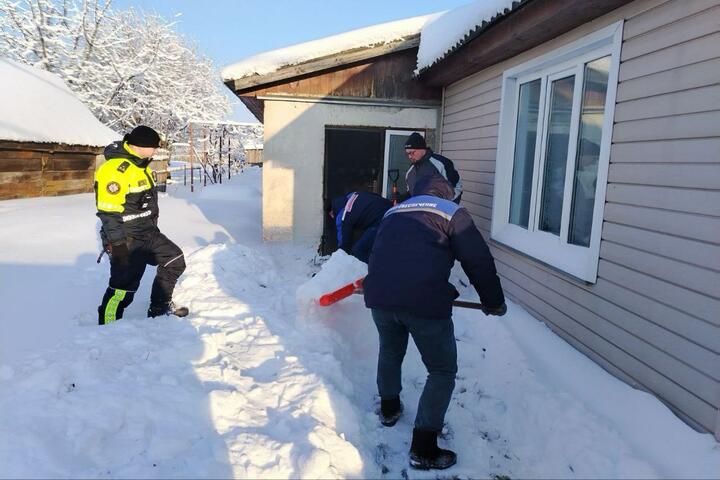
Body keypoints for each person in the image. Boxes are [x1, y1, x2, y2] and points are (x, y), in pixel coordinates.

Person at [363, 173, 506, 471]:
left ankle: (389, 409)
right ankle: (424, 448)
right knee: (441, 370)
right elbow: (478, 260)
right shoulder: (452, 212)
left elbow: (373, 251)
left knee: (390, 351)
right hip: (424, 302)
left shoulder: (393, 212)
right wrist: (493, 301)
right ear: (448, 194)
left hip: (380, 297)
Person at [95, 125, 188, 325]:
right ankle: (108, 327)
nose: (156, 150)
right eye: (154, 147)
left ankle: (159, 309)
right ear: (141, 145)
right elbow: (108, 212)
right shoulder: (115, 170)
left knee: (174, 260)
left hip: (148, 233)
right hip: (126, 238)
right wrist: (118, 245)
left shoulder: (140, 165)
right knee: (123, 288)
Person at [329, 191, 393, 263]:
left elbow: (344, 240)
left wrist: (341, 254)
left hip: (382, 220)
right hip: (393, 210)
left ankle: (370, 269)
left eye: (332, 216)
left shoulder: (343, 214)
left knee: (358, 250)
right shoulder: (354, 194)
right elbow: (376, 195)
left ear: (332, 212)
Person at [404, 132, 463, 204]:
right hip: (421, 209)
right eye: (407, 154)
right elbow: (411, 193)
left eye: (412, 153)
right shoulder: (410, 172)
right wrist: (403, 197)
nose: (410, 157)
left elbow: (456, 187)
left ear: (422, 149)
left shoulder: (441, 163)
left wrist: (446, 205)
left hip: (441, 208)